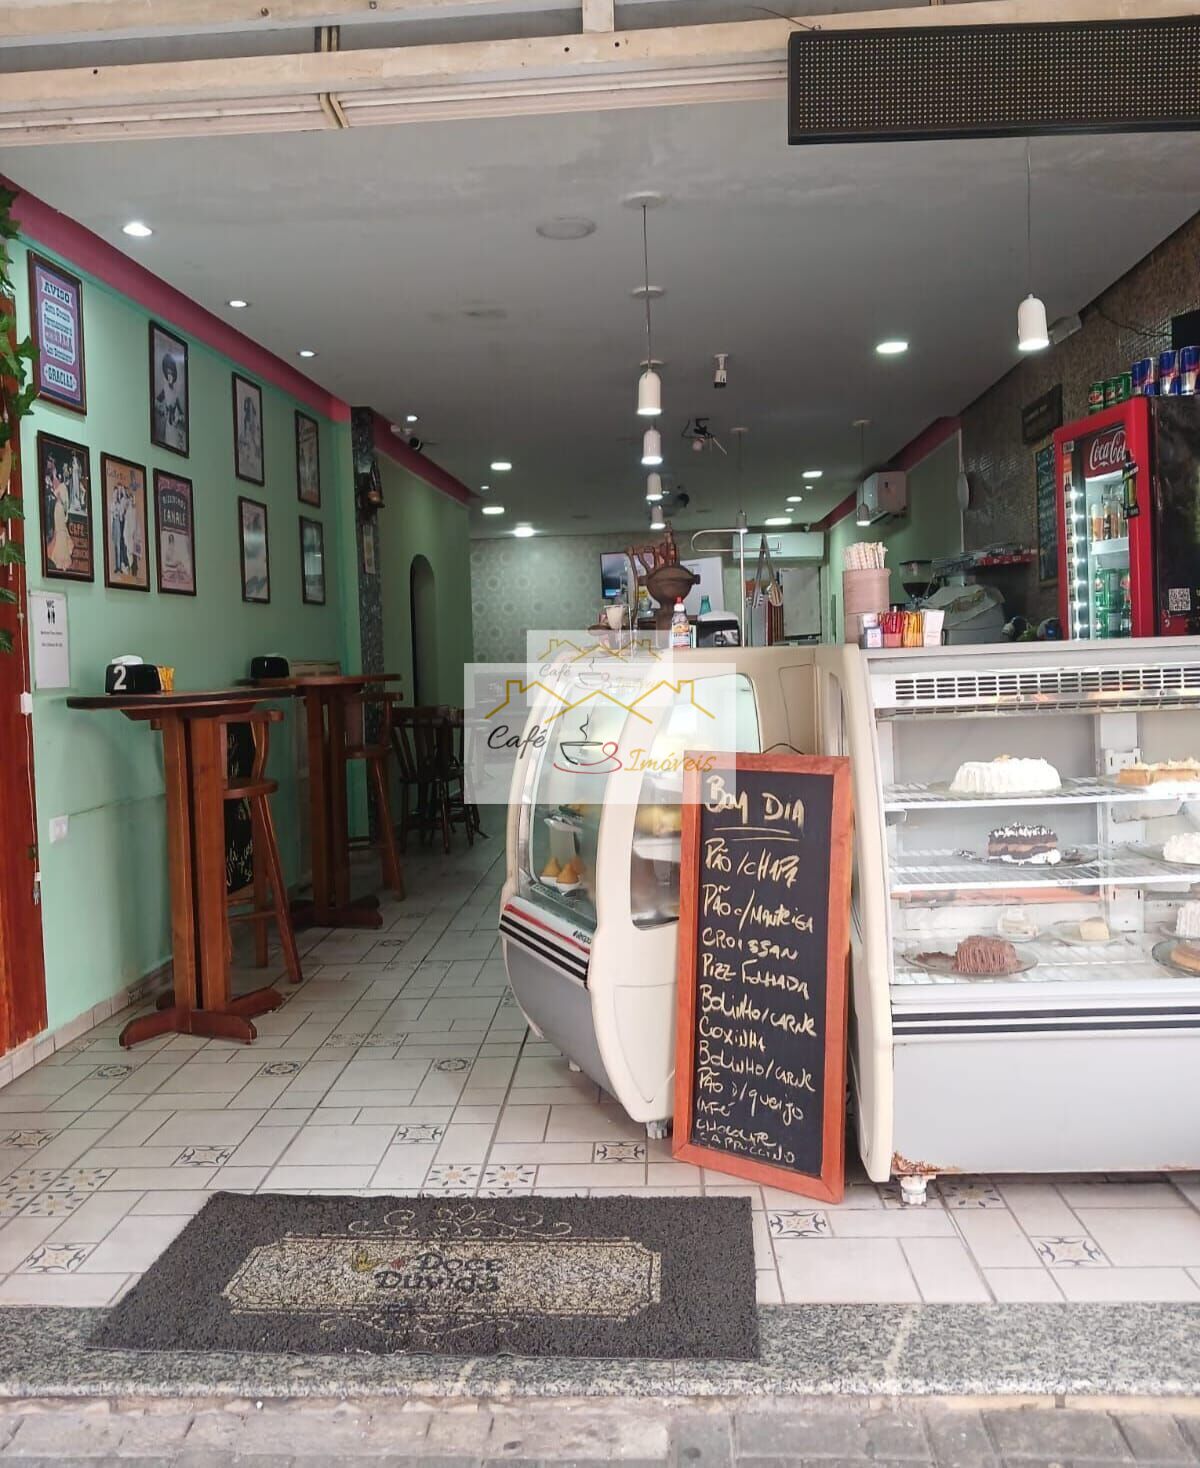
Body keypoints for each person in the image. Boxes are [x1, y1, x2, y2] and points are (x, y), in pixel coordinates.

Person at [155, 352, 185, 449]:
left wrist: (178, 418)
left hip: (174, 428)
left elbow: (181, 413)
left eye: (171, 373)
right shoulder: (165, 390)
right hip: (168, 427)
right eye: (168, 373)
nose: (170, 376)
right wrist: (163, 410)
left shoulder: (175, 392)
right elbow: (155, 402)